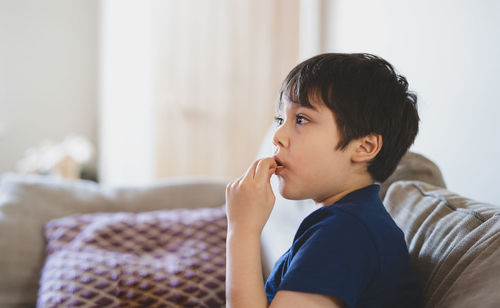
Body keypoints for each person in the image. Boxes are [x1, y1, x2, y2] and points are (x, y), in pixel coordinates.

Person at [225, 53, 422, 308]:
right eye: (280, 120)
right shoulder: (345, 220)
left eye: (301, 119)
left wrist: (241, 230)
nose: (277, 136)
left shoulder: (346, 232)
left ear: (364, 147)